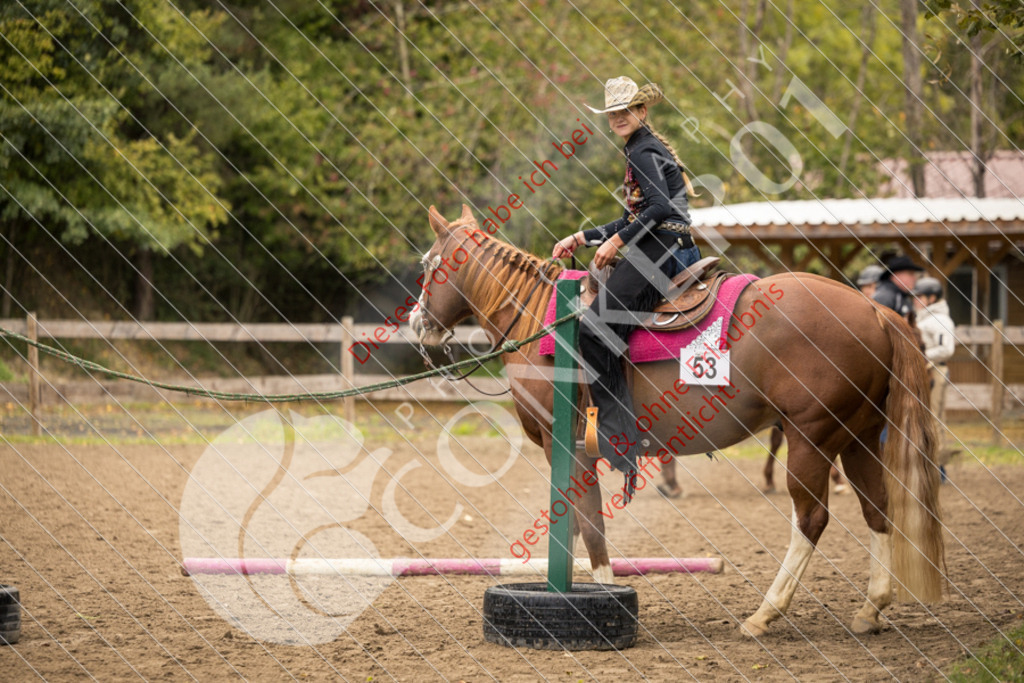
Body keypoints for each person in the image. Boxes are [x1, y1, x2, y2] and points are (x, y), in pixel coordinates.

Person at [551, 76, 699, 490]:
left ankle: (620, 438)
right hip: (663, 244)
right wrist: (581, 237)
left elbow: (658, 207)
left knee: (593, 329)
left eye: (625, 111)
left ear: (642, 112)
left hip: (663, 252)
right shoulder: (641, 146)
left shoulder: (644, 148)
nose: (618, 118)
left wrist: (616, 241)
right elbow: (637, 216)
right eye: (613, 112)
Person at [913, 276, 957, 481]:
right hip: (926, 369)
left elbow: (946, 349)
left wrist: (921, 355)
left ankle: (938, 468)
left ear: (931, 297)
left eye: (919, 296)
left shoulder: (939, 320)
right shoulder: (925, 317)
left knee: (934, 418)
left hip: (935, 370)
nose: (916, 300)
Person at [873, 254, 924, 320]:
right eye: (910, 274)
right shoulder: (885, 297)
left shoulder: (901, 296)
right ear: (896, 275)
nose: (914, 278)